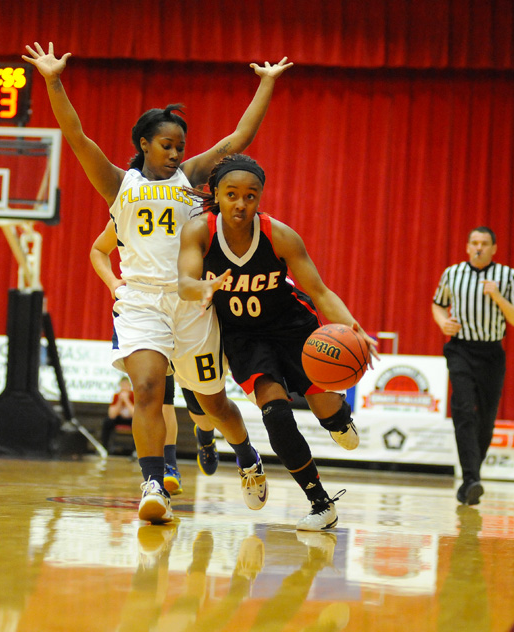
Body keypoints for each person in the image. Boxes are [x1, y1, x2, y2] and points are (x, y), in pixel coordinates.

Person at [24, 42, 291, 524]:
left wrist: (266, 83)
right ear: (144, 143)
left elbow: (240, 136)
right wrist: (52, 80)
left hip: (192, 302)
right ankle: (154, 482)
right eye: (167, 145)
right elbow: (76, 134)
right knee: (147, 389)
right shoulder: (117, 183)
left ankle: (247, 455)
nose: (175, 154)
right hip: (142, 303)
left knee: (213, 402)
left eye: (180, 147)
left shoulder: (190, 179)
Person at [178, 154, 376, 530]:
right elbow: (184, 283)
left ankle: (337, 419)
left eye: (250, 196)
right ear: (216, 194)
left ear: (260, 198)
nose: (241, 203)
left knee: (325, 408)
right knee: (277, 416)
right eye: (232, 194)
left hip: (292, 328)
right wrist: (201, 287)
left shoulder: (279, 235)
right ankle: (321, 503)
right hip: (244, 337)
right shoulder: (199, 232)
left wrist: (353, 327)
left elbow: (318, 290)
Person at [90, 220, 220, 487]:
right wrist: (114, 283)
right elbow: (97, 250)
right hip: (149, 314)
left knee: (202, 404)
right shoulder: (131, 209)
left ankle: (205, 436)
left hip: (189, 314)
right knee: (159, 397)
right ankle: (167, 466)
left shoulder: (191, 213)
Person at [432, 227, 514, 506]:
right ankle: (471, 478)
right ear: (467, 246)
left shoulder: (508, 276)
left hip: (491, 353)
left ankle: (470, 480)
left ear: (494, 248)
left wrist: (498, 298)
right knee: (463, 410)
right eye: (474, 243)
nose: (479, 247)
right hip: (460, 348)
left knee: (485, 421)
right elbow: (438, 305)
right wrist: (442, 322)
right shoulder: (452, 273)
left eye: (484, 244)